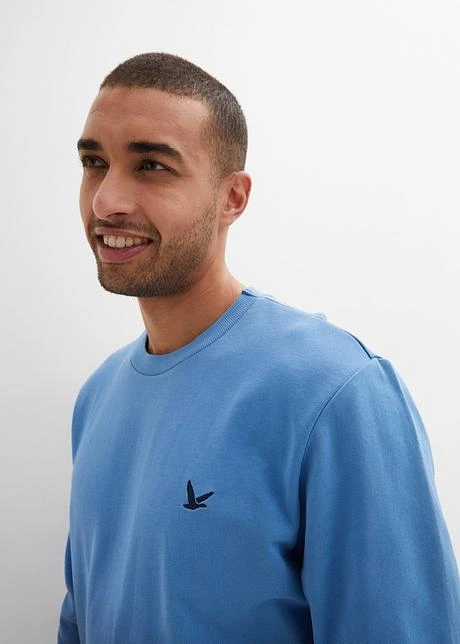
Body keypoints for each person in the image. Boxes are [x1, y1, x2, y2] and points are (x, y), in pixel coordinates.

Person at [57, 52, 460, 643]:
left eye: (152, 166)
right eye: (95, 163)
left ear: (233, 198)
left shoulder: (336, 392)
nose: (105, 200)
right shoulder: (97, 397)